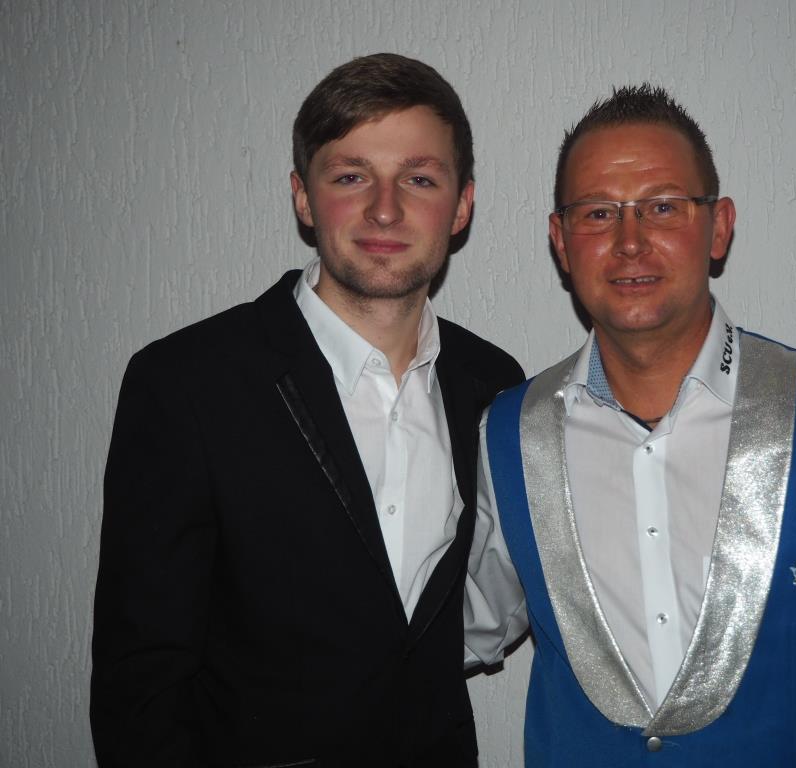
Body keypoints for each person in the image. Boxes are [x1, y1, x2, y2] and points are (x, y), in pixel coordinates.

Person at [468, 84, 796, 766]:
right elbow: (450, 632)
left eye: (663, 206)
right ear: (561, 242)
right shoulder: (509, 435)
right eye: (598, 213)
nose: (630, 241)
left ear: (718, 227)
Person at [91, 53, 523, 767]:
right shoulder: (186, 383)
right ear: (302, 197)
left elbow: (470, 615)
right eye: (351, 176)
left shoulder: (495, 386)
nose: (385, 208)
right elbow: (141, 683)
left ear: (462, 205)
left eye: (419, 178)